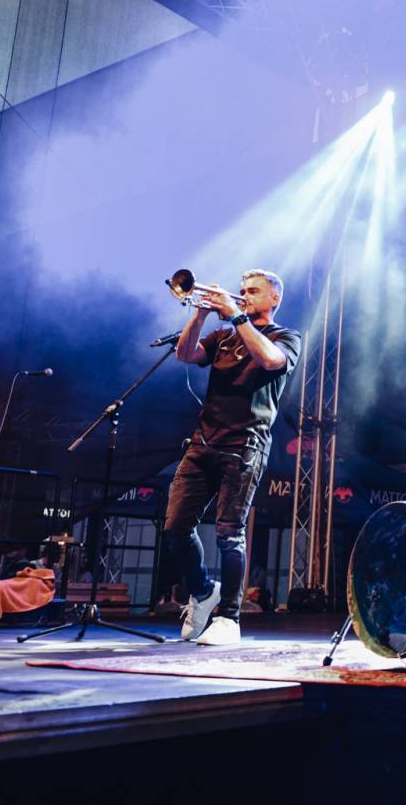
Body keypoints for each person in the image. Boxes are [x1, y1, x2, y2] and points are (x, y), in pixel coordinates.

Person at [164, 269, 301, 645]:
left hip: (245, 444)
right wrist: (202, 313)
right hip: (203, 441)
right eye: (241, 291)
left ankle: (230, 617)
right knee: (175, 528)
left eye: (253, 291)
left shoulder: (286, 337)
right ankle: (203, 590)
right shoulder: (223, 337)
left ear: (274, 299)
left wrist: (237, 316)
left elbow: (271, 361)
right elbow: (186, 354)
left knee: (229, 533)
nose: (244, 296)